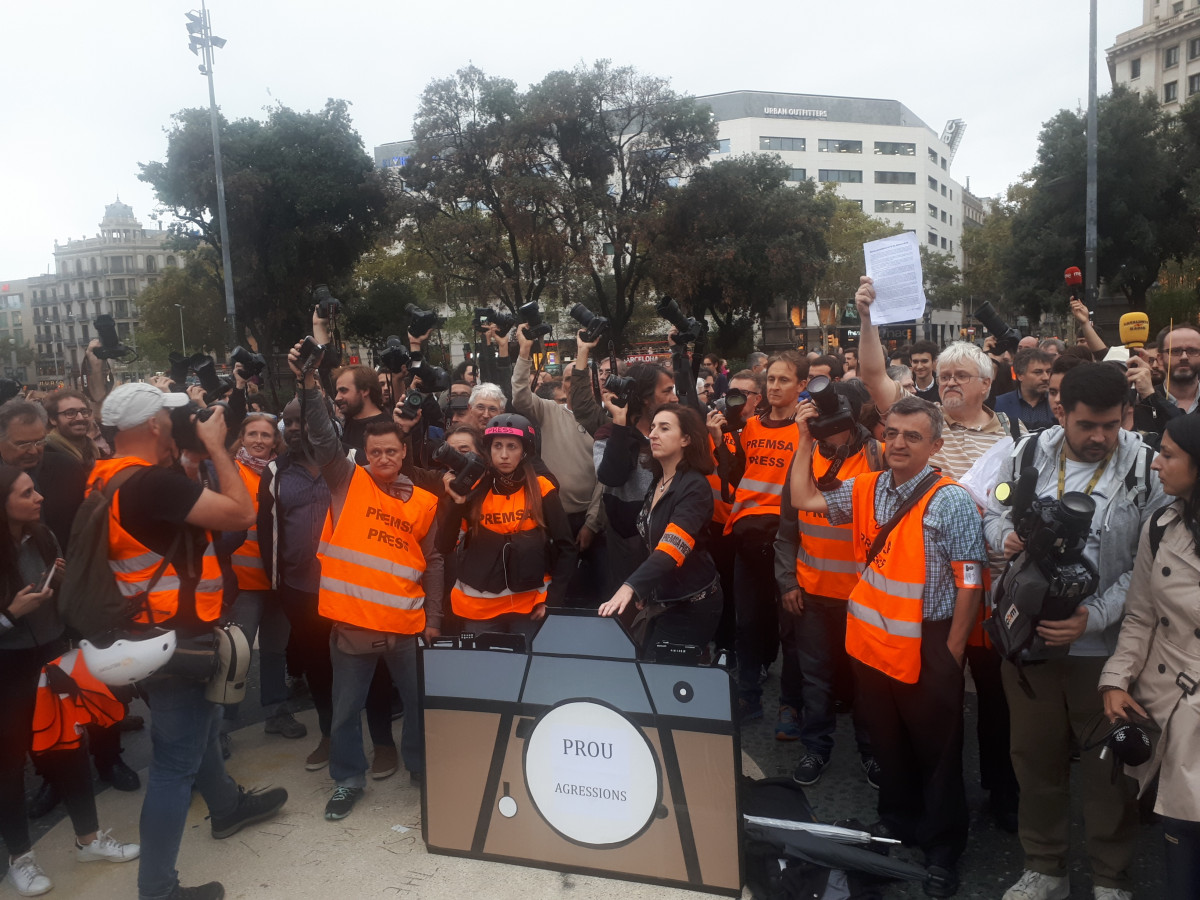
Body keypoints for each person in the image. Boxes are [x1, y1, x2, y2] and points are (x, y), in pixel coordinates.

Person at [92, 383, 288, 900]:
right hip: (177, 641)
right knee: (174, 765)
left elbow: (172, 519)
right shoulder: (150, 487)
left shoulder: (109, 477)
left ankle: (224, 807)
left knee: (200, 731)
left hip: (145, 631)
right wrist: (219, 448)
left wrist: (192, 456)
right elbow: (240, 514)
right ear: (155, 424)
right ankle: (158, 888)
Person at [790, 395, 986, 899]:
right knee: (886, 740)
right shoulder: (867, 486)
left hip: (929, 642)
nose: (898, 443)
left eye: (913, 436)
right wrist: (803, 442)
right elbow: (805, 500)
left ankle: (942, 849)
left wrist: (955, 650)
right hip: (872, 643)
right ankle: (896, 822)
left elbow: (970, 580)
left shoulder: (951, 499)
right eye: (892, 433)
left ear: (935, 445)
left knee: (938, 751)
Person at [985, 363, 1167, 900]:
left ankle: (1112, 878)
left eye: (1112, 425)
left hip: (1106, 651)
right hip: (1031, 642)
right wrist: (1006, 538)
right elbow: (993, 511)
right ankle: (1046, 867)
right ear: (1061, 411)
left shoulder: (1147, 468)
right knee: (1035, 760)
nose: (1101, 438)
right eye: (1088, 425)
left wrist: (1094, 616)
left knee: (1108, 772)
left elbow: (1152, 567)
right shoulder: (1025, 452)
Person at [854, 277, 1022, 832]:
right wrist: (867, 317)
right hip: (936, 597)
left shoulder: (1019, 436)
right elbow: (876, 374)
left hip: (992, 593)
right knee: (940, 713)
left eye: (960, 376)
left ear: (987, 383)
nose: (948, 382)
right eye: (944, 374)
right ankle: (933, 802)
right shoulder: (922, 422)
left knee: (995, 704)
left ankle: (1001, 793)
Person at [290, 342, 443, 821]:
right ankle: (348, 780)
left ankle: (420, 769)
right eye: (375, 451)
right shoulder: (345, 481)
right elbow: (322, 435)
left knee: (416, 706)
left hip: (404, 625)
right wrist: (310, 383)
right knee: (344, 710)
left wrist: (433, 620)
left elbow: (433, 561)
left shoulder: (423, 501)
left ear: (403, 452)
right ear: (365, 455)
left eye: (391, 451)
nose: (383, 458)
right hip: (351, 628)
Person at [0, 465, 140, 897]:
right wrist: (10, 615)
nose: (39, 497)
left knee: (71, 746)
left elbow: (63, 600)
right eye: (26, 493)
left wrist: (63, 584)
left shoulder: (42, 537)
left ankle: (89, 840)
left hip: (53, 658)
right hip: (8, 668)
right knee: (7, 765)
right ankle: (19, 859)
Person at [1100, 413, 1200, 900]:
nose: (1156, 463)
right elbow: (1139, 615)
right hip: (1170, 707)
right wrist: (1116, 679)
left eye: (1170, 454)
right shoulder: (1162, 525)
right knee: (1180, 845)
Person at [775, 383, 881, 788]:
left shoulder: (877, 456)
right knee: (815, 681)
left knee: (866, 682)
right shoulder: (802, 458)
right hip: (813, 592)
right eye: (819, 421)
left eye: (834, 421)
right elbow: (786, 531)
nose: (827, 430)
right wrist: (787, 581)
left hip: (864, 596)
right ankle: (816, 749)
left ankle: (873, 754)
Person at [714, 352, 807, 731]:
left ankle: (791, 705)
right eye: (770, 380)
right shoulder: (749, 426)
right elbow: (735, 477)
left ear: (802, 386)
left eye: (784, 380)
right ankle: (748, 696)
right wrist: (721, 440)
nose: (774, 387)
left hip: (789, 540)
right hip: (748, 537)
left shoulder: (808, 430)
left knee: (792, 629)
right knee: (748, 623)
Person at [439, 413, 576, 638]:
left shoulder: (542, 488)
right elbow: (444, 546)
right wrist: (456, 502)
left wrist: (552, 602)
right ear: (488, 450)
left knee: (526, 671)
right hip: (479, 607)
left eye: (512, 446)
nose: (504, 455)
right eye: (497, 446)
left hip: (528, 606)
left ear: (524, 451)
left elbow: (567, 548)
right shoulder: (473, 487)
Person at [599, 405, 721, 651]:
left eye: (664, 428)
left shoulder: (694, 487)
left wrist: (631, 587)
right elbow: (651, 539)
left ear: (686, 438)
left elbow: (672, 547)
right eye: (653, 427)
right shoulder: (660, 480)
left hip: (691, 606)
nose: (653, 433)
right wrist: (648, 589)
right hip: (663, 600)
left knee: (663, 677)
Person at [218, 412, 306, 753]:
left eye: (265, 435)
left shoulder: (283, 472)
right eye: (252, 433)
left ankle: (276, 712)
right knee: (235, 655)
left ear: (275, 440)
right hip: (244, 581)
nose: (258, 440)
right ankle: (223, 724)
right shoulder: (230, 471)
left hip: (278, 579)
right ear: (241, 437)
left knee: (275, 650)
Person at [256, 398, 336, 771]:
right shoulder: (275, 471)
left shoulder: (345, 462)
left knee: (359, 663)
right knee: (318, 665)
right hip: (301, 590)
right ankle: (329, 735)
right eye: (287, 421)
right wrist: (278, 581)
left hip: (349, 585)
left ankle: (376, 737)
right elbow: (265, 530)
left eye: (300, 419)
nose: (293, 427)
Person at [510, 326, 605, 608]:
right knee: (556, 592)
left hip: (594, 521)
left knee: (598, 591)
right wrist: (525, 350)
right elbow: (519, 397)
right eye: (570, 379)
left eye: (585, 379)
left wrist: (591, 523)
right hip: (553, 519)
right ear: (564, 385)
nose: (576, 384)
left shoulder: (606, 422)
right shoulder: (551, 411)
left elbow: (606, 479)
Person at [993, 347, 1055, 432]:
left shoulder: (1057, 403)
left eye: (1048, 371)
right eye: (1038, 372)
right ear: (1020, 375)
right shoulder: (999, 405)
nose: (1046, 377)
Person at [43, 389, 101, 465]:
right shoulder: (47, 458)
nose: (80, 418)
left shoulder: (97, 452)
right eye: (70, 413)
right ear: (53, 419)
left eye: (84, 412)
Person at [1158, 323, 1200, 415]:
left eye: (1192, 351)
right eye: (1175, 351)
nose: (1184, 357)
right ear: (1160, 359)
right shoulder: (1142, 403)